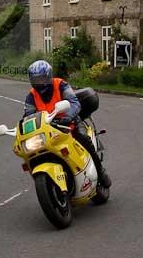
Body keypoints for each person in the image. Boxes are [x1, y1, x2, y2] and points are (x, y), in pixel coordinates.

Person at [23, 60, 111, 188]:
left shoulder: (61, 85)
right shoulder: (31, 95)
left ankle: (100, 171)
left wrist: (68, 116)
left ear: (48, 76)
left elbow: (74, 102)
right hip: (49, 130)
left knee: (83, 138)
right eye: (36, 80)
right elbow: (28, 115)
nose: (39, 83)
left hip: (70, 123)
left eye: (41, 78)